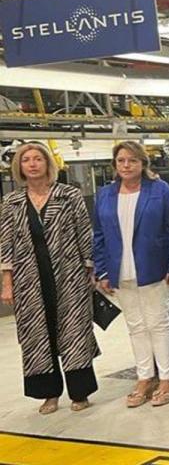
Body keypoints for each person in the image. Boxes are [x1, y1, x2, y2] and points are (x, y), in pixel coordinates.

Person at [0, 142, 98, 414]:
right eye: (26, 160)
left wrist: (89, 269)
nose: (32, 164)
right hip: (29, 279)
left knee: (75, 334)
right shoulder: (11, 202)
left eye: (37, 159)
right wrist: (7, 284)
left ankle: (80, 392)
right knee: (37, 336)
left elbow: (84, 232)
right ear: (19, 167)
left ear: (47, 164)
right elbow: (6, 244)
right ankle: (49, 393)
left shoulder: (70, 195)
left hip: (69, 277)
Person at [93, 141, 169, 408]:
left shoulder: (161, 191)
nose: (126, 165)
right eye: (121, 161)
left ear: (143, 163)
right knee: (135, 326)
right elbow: (98, 235)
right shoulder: (105, 195)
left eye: (132, 160)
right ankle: (145, 377)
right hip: (120, 270)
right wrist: (102, 269)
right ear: (115, 165)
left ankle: (166, 378)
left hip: (153, 267)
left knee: (158, 323)